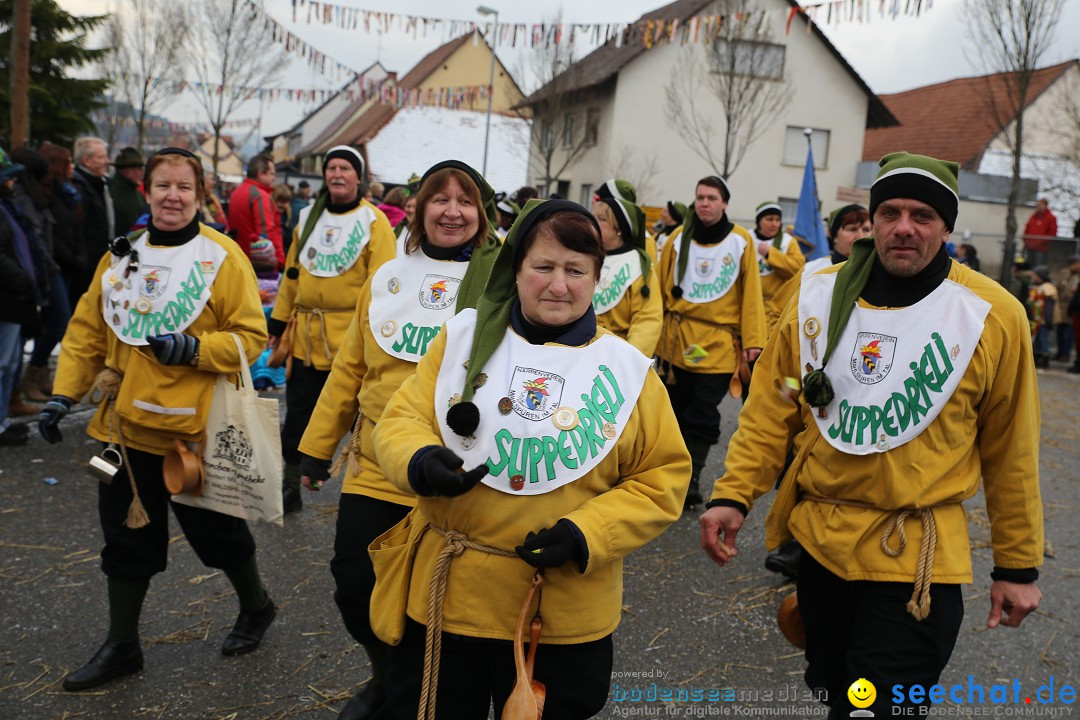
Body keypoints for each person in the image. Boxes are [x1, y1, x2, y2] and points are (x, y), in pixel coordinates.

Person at [700, 152, 1043, 718]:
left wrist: (1018, 566)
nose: (903, 227)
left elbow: (1012, 450)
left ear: (947, 226)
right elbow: (773, 407)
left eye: (923, 215)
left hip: (915, 563)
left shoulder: (992, 315)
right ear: (873, 218)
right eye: (890, 212)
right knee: (834, 691)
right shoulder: (815, 296)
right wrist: (733, 494)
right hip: (821, 548)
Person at [369, 198, 690, 720]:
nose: (558, 285)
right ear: (515, 269)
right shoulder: (459, 342)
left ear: (596, 278)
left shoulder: (629, 371)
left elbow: (661, 478)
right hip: (450, 599)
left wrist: (588, 533)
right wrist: (421, 459)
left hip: (559, 611)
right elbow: (401, 419)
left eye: (575, 270)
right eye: (542, 267)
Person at [37, 147, 277, 692]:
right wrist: (62, 396)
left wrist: (194, 349)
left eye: (184, 188)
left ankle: (257, 605)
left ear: (199, 195)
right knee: (124, 541)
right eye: (163, 186)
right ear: (146, 191)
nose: (173, 196)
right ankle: (123, 646)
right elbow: (86, 334)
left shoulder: (223, 257)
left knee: (220, 536)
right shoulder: (119, 259)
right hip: (121, 434)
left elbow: (249, 337)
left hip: (194, 435)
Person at [296, 159, 502, 720]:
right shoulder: (386, 275)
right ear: (418, 208)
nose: (452, 210)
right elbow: (350, 368)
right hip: (375, 461)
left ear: (481, 214)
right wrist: (317, 447)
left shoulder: (499, 286)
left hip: (450, 469)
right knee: (354, 582)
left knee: (429, 594)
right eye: (440, 198)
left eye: (465, 201)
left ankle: (409, 691)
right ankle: (383, 676)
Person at [269, 146, 397, 515]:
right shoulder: (308, 217)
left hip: (349, 342)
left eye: (345, 168)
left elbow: (385, 283)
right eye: (331, 168)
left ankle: (360, 489)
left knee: (354, 417)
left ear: (358, 177)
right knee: (296, 415)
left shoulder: (374, 223)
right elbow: (292, 275)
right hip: (306, 337)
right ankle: (290, 486)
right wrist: (278, 320)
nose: (337, 174)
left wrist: (378, 336)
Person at [763, 203, 871, 579]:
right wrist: (785, 364)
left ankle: (801, 549)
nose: (859, 235)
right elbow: (780, 313)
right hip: (801, 379)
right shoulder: (813, 272)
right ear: (835, 234)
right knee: (792, 448)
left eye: (866, 227)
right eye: (851, 228)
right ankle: (793, 539)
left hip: (849, 390)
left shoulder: (881, 279)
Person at [655, 175, 766, 510]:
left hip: (717, 344)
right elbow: (659, 288)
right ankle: (666, 478)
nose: (705, 203)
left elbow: (751, 296)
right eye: (700, 197)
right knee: (672, 411)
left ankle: (691, 482)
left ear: (725, 203)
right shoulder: (677, 239)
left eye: (712, 198)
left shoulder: (741, 241)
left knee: (701, 414)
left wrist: (753, 340)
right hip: (676, 340)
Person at [11, 148, 69, 404]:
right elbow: (33, 238)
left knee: (49, 322)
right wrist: (49, 266)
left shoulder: (40, 193)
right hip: (40, 268)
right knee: (54, 320)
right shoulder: (22, 197)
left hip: (45, 266)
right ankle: (23, 384)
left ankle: (35, 375)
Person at [591, 179, 662, 356]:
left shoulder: (638, 264)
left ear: (619, 228)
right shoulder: (583, 257)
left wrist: (630, 358)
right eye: (594, 218)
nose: (594, 223)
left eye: (602, 219)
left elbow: (647, 318)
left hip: (617, 353)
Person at [0, 148, 42, 445]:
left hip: (15, 297)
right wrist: (22, 278)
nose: (13, 183)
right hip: (7, 296)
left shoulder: (7, 206)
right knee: (2, 363)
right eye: (8, 178)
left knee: (11, 363)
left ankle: (2, 420)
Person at [70, 137, 114, 299]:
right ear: (87, 161)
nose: (107, 161)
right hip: (86, 263)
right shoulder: (78, 187)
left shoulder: (101, 183)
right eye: (101, 157)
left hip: (99, 257)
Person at [753, 202, 805, 333]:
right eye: (769, 219)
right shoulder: (747, 238)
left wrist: (771, 254)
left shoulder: (788, 242)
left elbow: (798, 269)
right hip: (750, 306)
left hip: (775, 309)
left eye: (777, 220)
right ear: (759, 221)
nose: (774, 224)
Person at [227, 153, 284, 271]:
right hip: (259, 265)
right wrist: (280, 261)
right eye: (272, 173)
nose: (274, 178)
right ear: (261, 174)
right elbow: (267, 232)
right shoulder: (260, 195)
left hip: (240, 258)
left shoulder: (237, 192)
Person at [110, 147, 148, 236]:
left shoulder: (136, 193)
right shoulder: (110, 193)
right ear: (126, 170)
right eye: (138, 169)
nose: (142, 173)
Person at [1027, 265, 1057, 369]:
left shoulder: (1048, 286)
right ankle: (1038, 356)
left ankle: (1044, 357)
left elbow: (1050, 304)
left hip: (1043, 318)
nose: (1033, 277)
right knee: (1038, 338)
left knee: (1043, 338)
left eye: (1035, 275)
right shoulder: (1036, 286)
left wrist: (1048, 318)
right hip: (1036, 318)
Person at [1052, 258, 1076, 362]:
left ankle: (1066, 354)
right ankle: (1060, 352)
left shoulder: (1077, 276)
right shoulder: (1065, 273)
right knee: (1060, 330)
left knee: (1069, 332)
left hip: (1071, 307)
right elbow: (1059, 286)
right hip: (1061, 306)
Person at [271, 183, 295, 255]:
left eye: (286, 202)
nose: (284, 205)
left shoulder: (288, 215)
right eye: (281, 201)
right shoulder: (270, 215)